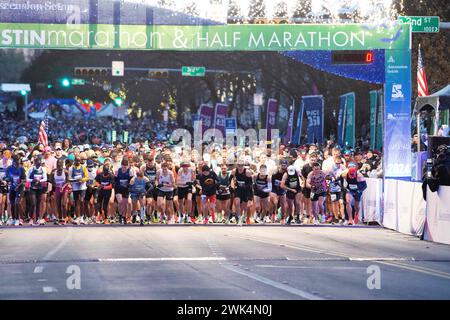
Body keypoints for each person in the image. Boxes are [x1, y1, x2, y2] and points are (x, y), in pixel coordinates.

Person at [230, 160, 253, 225]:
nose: (240, 167)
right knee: (237, 203)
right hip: (238, 189)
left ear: (243, 166)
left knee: (244, 206)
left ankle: (244, 216)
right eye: (239, 166)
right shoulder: (234, 171)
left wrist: (250, 198)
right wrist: (231, 187)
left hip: (246, 190)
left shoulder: (247, 172)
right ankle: (239, 218)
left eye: (241, 166)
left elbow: (250, 185)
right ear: (237, 166)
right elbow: (230, 180)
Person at [27, 155, 48, 225]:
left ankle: (38, 219)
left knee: (39, 204)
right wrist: (33, 180)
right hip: (32, 188)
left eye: (39, 162)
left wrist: (39, 180)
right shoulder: (31, 169)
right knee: (33, 203)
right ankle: (31, 218)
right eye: (37, 162)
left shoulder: (43, 169)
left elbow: (45, 178)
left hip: (40, 188)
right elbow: (27, 179)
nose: (38, 163)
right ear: (35, 162)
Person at [5, 156, 26, 226]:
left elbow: (24, 180)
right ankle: (13, 219)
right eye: (16, 162)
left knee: (17, 202)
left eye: (18, 162)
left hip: (19, 188)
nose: (17, 164)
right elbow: (7, 177)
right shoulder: (9, 168)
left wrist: (18, 185)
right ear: (13, 161)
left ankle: (18, 219)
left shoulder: (21, 168)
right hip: (12, 187)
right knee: (12, 203)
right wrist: (7, 181)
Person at [69, 156, 88, 225]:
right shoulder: (71, 168)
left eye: (79, 161)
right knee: (76, 202)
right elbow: (70, 178)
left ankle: (82, 217)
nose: (78, 162)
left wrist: (82, 180)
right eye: (77, 161)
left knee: (82, 201)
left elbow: (86, 177)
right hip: (75, 187)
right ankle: (77, 217)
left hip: (82, 187)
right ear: (74, 161)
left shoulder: (83, 167)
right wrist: (75, 180)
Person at [115, 159, 134, 224]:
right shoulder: (117, 171)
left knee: (125, 204)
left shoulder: (130, 171)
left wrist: (130, 186)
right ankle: (120, 215)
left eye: (125, 167)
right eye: (123, 167)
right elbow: (115, 179)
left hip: (126, 189)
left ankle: (124, 216)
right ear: (121, 165)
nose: (124, 168)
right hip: (119, 189)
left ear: (128, 166)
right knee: (120, 202)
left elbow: (132, 180)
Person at [51, 159, 68, 225]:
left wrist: (63, 187)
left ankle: (65, 217)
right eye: (58, 163)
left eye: (60, 163)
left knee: (63, 204)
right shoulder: (53, 172)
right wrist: (56, 185)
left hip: (64, 188)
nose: (59, 164)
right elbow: (51, 181)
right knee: (58, 204)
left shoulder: (65, 171)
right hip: (57, 188)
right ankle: (60, 218)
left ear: (62, 163)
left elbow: (67, 181)